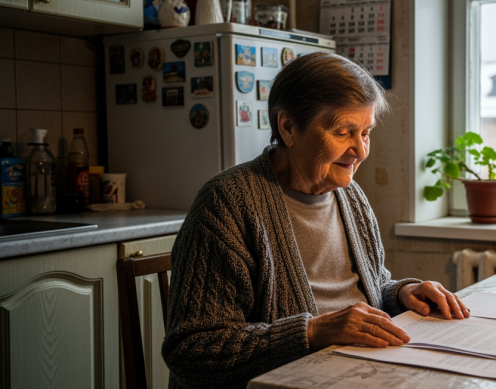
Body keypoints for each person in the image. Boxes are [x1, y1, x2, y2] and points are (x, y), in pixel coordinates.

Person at [162, 52, 469, 389]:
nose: (360, 151)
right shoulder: (227, 204)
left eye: (365, 133)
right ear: (289, 127)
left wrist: (402, 293)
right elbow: (192, 349)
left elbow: (366, 290)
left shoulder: (350, 196)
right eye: (343, 132)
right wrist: (313, 331)